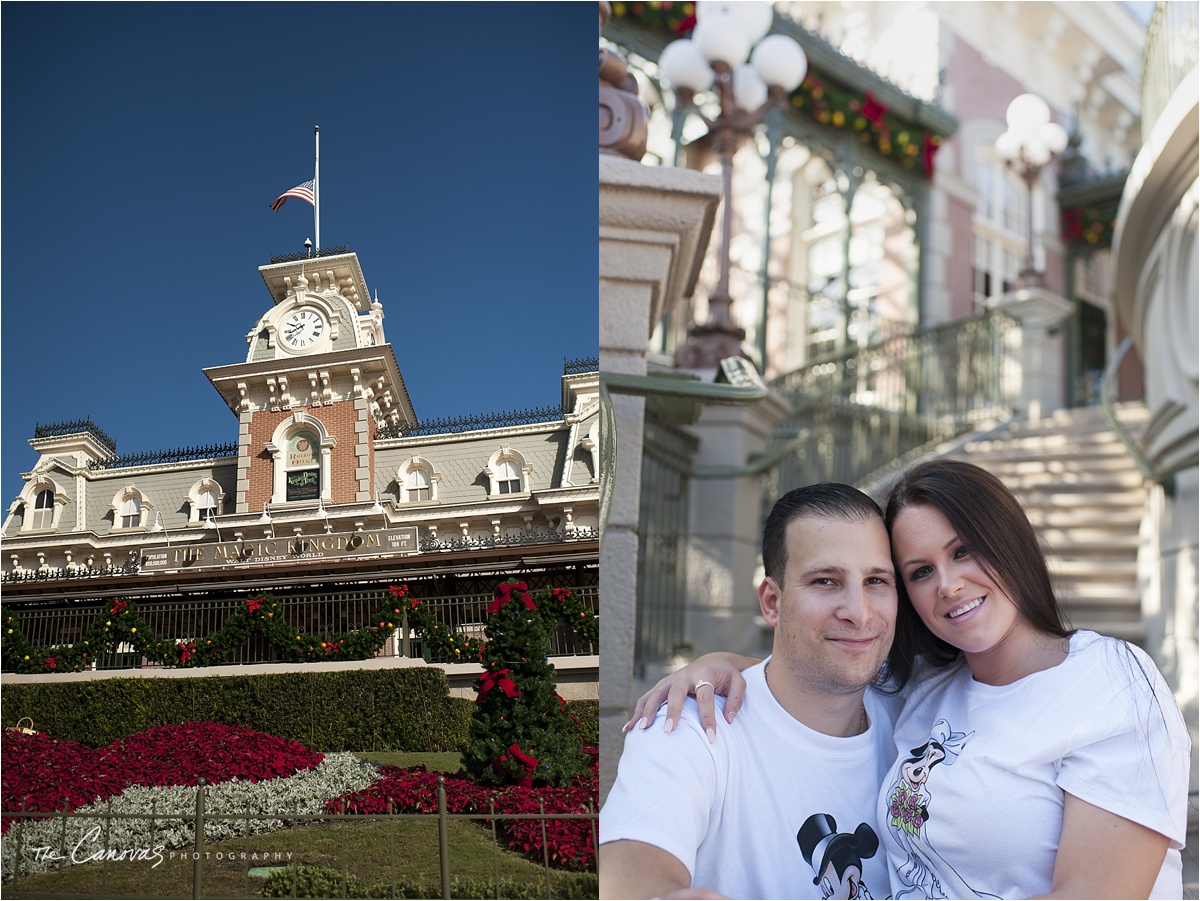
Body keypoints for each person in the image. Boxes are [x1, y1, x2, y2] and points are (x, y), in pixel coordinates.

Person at [630, 459, 1191, 899]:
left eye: (964, 551)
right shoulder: (927, 689)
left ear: (1008, 540)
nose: (947, 585)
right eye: (920, 572)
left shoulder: (1108, 680)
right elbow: (824, 670)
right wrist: (722, 665)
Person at [599, 483, 902, 899]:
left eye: (876, 580)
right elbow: (629, 881)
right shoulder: (689, 726)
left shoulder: (916, 715)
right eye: (826, 581)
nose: (858, 611)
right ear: (772, 602)